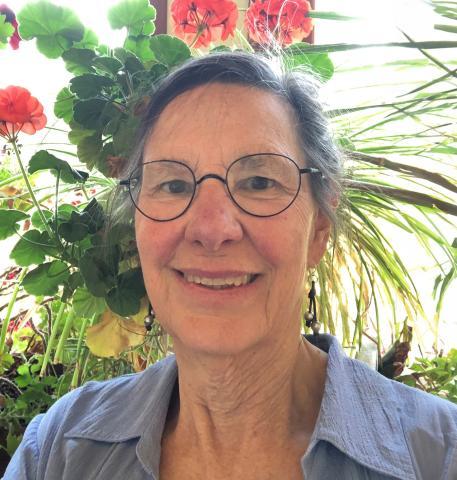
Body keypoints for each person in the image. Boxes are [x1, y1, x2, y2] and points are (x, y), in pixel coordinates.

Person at [4, 52, 457, 480]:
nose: (212, 228)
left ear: (318, 227)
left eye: (259, 182)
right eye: (174, 184)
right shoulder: (60, 450)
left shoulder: (439, 456)